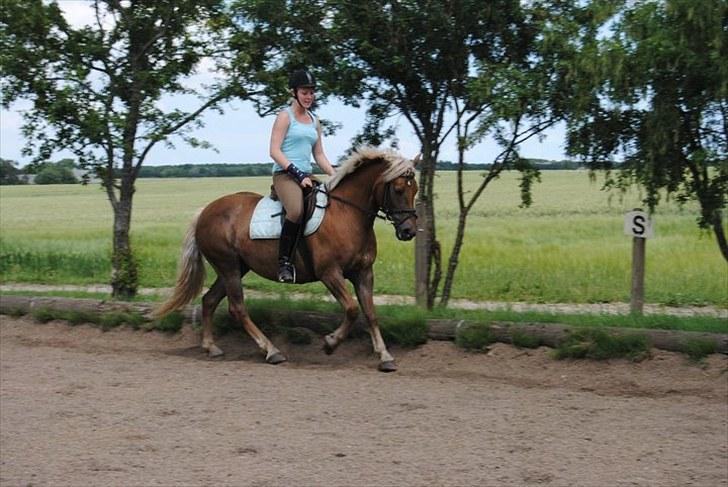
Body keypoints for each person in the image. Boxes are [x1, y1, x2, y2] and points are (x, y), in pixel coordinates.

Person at [269, 68, 336, 283]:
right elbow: (274, 151)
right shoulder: (284, 116)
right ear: (294, 93)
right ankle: (284, 263)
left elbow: (319, 155)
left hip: (307, 175)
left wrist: (336, 175)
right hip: (285, 175)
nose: (309, 97)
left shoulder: (315, 121)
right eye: (305, 92)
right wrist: (296, 173)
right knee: (296, 211)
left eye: (312, 92)